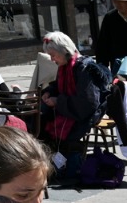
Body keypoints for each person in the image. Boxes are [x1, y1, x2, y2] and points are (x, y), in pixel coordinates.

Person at [37, 32, 106, 169]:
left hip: (84, 114)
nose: (52, 59)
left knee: (44, 122)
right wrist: (48, 92)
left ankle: (58, 165)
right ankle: (48, 163)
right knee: (39, 118)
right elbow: (58, 85)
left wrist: (58, 101)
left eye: (53, 55)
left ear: (64, 51)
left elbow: (88, 103)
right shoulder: (64, 66)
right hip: (69, 108)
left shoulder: (85, 68)